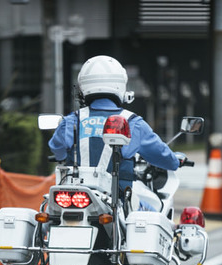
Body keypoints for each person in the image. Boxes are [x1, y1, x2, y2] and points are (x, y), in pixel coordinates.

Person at [48, 55, 187, 192]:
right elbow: (160, 153)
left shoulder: (72, 120)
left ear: (83, 87)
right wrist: (175, 161)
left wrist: (63, 157)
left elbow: (56, 148)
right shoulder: (133, 122)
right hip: (117, 197)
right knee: (150, 204)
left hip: (74, 193)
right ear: (120, 84)